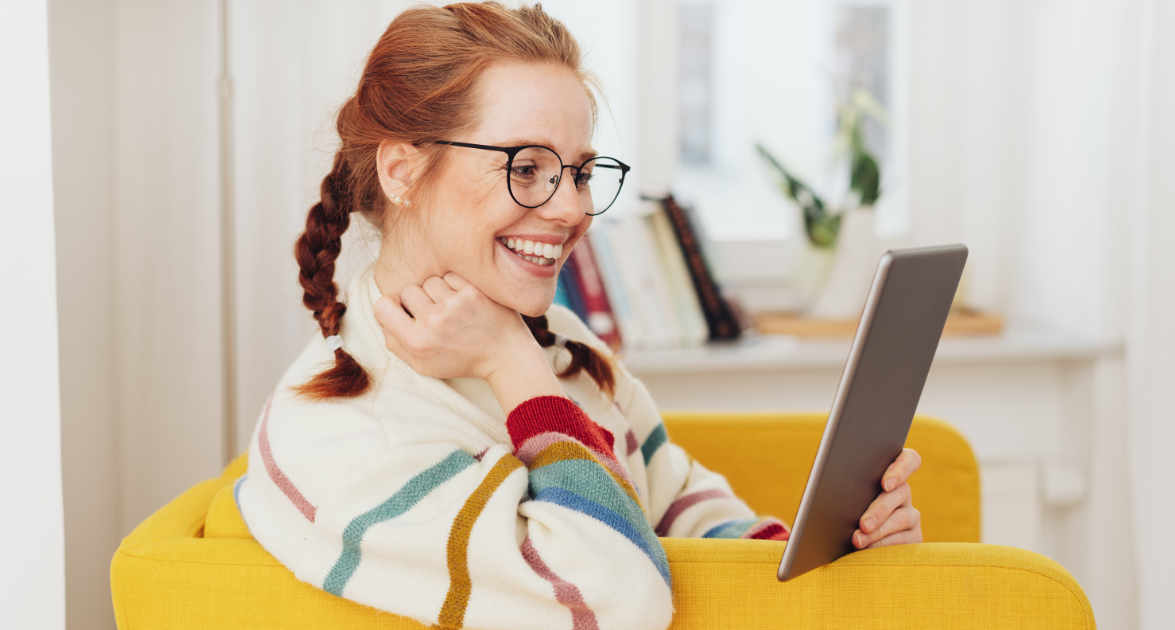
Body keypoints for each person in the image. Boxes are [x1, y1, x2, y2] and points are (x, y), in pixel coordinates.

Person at [237, 3, 923, 629]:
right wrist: (511, 364)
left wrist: (842, 556)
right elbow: (615, 602)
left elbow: (672, 498)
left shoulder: (558, 341)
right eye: (527, 168)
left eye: (581, 172)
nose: (572, 209)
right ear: (401, 172)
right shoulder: (347, 439)